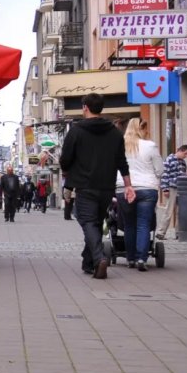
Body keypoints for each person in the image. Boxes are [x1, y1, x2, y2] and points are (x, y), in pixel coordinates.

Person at [59, 93, 133, 279]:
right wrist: (128, 185)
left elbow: (65, 158)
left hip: (85, 186)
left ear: (85, 107)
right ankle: (89, 262)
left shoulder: (76, 131)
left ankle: (100, 258)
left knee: (88, 222)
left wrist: (67, 170)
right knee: (97, 223)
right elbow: (122, 162)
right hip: (107, 187)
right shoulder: (115, 132)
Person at [123, 118, 162, 272]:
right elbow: (159, 169)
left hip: (124, 188)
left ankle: (130, 258)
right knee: (143, 224)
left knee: (129, 224)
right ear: (143, 129)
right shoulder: (150, 145)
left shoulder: (120, 145)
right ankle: (141, 258)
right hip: (147, 187)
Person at [158, 145, 187, 240]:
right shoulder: (169, 159)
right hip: (172, 187)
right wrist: (165, 188)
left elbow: (182, 175)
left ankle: (179, 233)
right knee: (168, 210)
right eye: (185, 154)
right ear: (180, 151)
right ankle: (161, 232)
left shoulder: (182, 162)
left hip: (181, 188)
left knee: (180, 211)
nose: (186, 156)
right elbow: (165, 174)